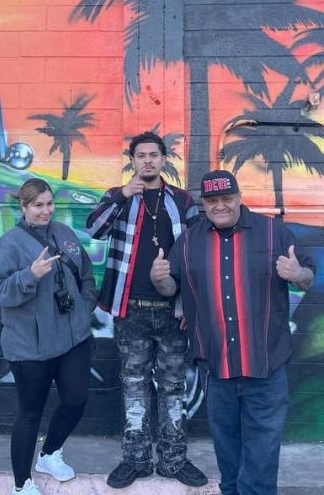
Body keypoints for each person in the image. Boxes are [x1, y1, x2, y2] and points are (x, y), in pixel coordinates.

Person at [151, 169, 315, 495]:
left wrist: (298, 274)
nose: (220, 206)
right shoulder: (189, 240)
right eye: (213, 200)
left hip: (265, 364)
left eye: (227, 198)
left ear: (239, 198)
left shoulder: (273, 233)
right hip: (216, 366)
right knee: (226, 452)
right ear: (204, 204)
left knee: (262, 453)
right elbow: (172, 288)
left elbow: (308, 277)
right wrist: (160, 279)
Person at [86, 131, 206, 489]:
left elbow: (197, 253)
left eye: (154, 155)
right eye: (141, 156)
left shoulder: (183, 201)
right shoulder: (117, 197)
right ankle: (136, 460)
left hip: (172, 311)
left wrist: (189, 303)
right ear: (132, 160)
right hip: (130, 309)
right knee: (134, 386)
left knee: (173, 389)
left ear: (164, 159)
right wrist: (123, 195)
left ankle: (173, 460)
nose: (148, 161)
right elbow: (94, 229)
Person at [0, 178, 98, 495]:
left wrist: (84, 307)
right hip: (30, 346)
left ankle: (49, 454)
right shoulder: (11, 243)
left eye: (49, 203)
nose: (45, 210)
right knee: (30, 414)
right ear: (23, 207)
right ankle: (21, 484)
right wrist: (29, 276)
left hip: (72, 337)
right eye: (37, 205)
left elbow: (86, 274)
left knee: (77, 399)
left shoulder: (64, 233)